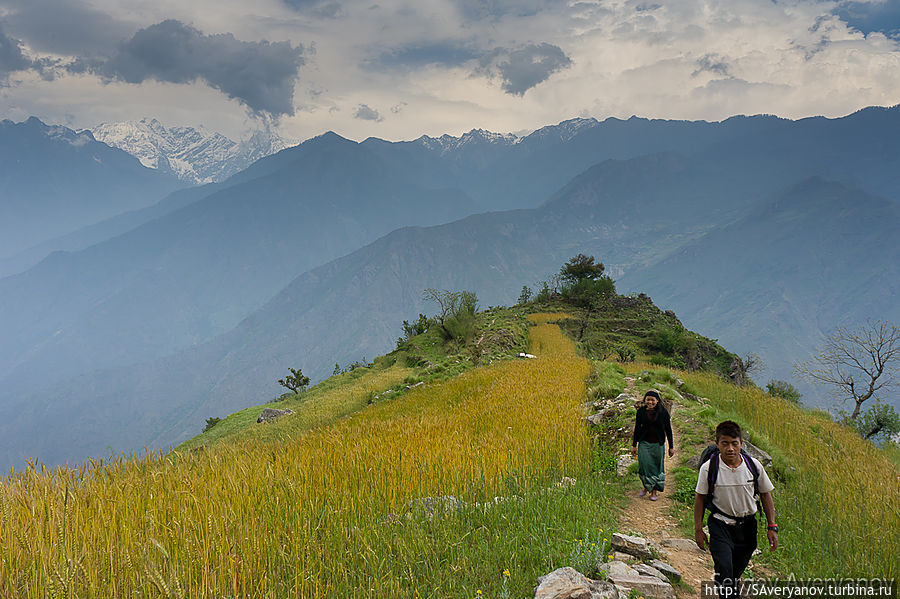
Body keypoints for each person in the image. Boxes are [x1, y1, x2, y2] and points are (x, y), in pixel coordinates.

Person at [694, 420, 778, 598]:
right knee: (724, 567)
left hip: (747, 527)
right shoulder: (709, 468)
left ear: (741, 444)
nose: (730, 448)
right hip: (720, 524)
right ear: (717, 444)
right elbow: (700, 498)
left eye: (734, 443)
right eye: (725, 443)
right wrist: (698, 529)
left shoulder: (753, 466)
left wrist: (772, 526)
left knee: (736, 570)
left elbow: (765, 495)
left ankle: (727, 585)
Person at [631, 389, 674, 500]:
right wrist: (634, 445)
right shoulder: (640, 412)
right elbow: (637, 428)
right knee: (644, 466)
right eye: (648, 399)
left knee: (656, 467)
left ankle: (654, 491)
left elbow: (668, 430)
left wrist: (671, 447)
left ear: (657, 401)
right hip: (644, 443)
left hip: (658, 444)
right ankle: (646, 487)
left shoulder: (663, 412)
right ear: (645, 400)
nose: (650, 402)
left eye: (652, 400)